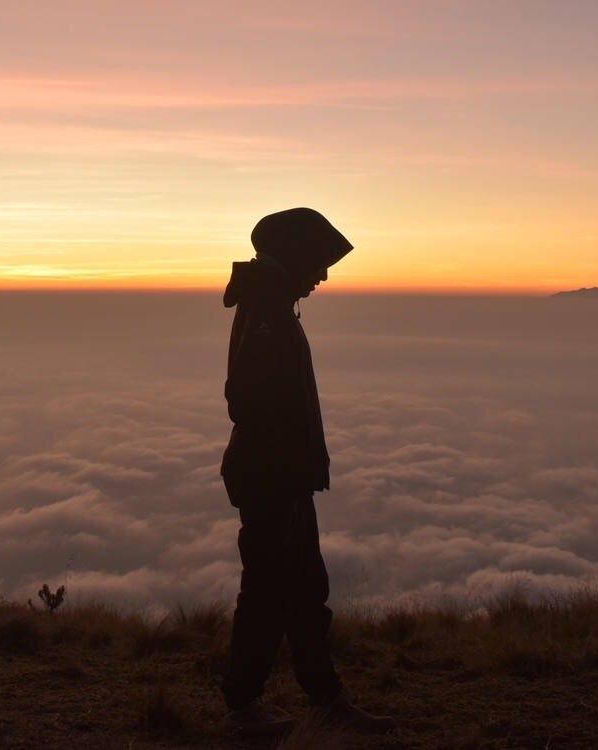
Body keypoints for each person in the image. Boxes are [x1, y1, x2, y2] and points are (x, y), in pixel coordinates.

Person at [219, 207, 396, 736]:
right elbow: (247, 400)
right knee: (270, 593)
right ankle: (244, 710)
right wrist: (286, 468)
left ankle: (324, 699)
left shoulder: (271, 304)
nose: (323, 276)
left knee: (301, 592)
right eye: (318, 263)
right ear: (294, 257)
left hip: (282, 477)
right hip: (274, 479)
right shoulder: (269, 310)